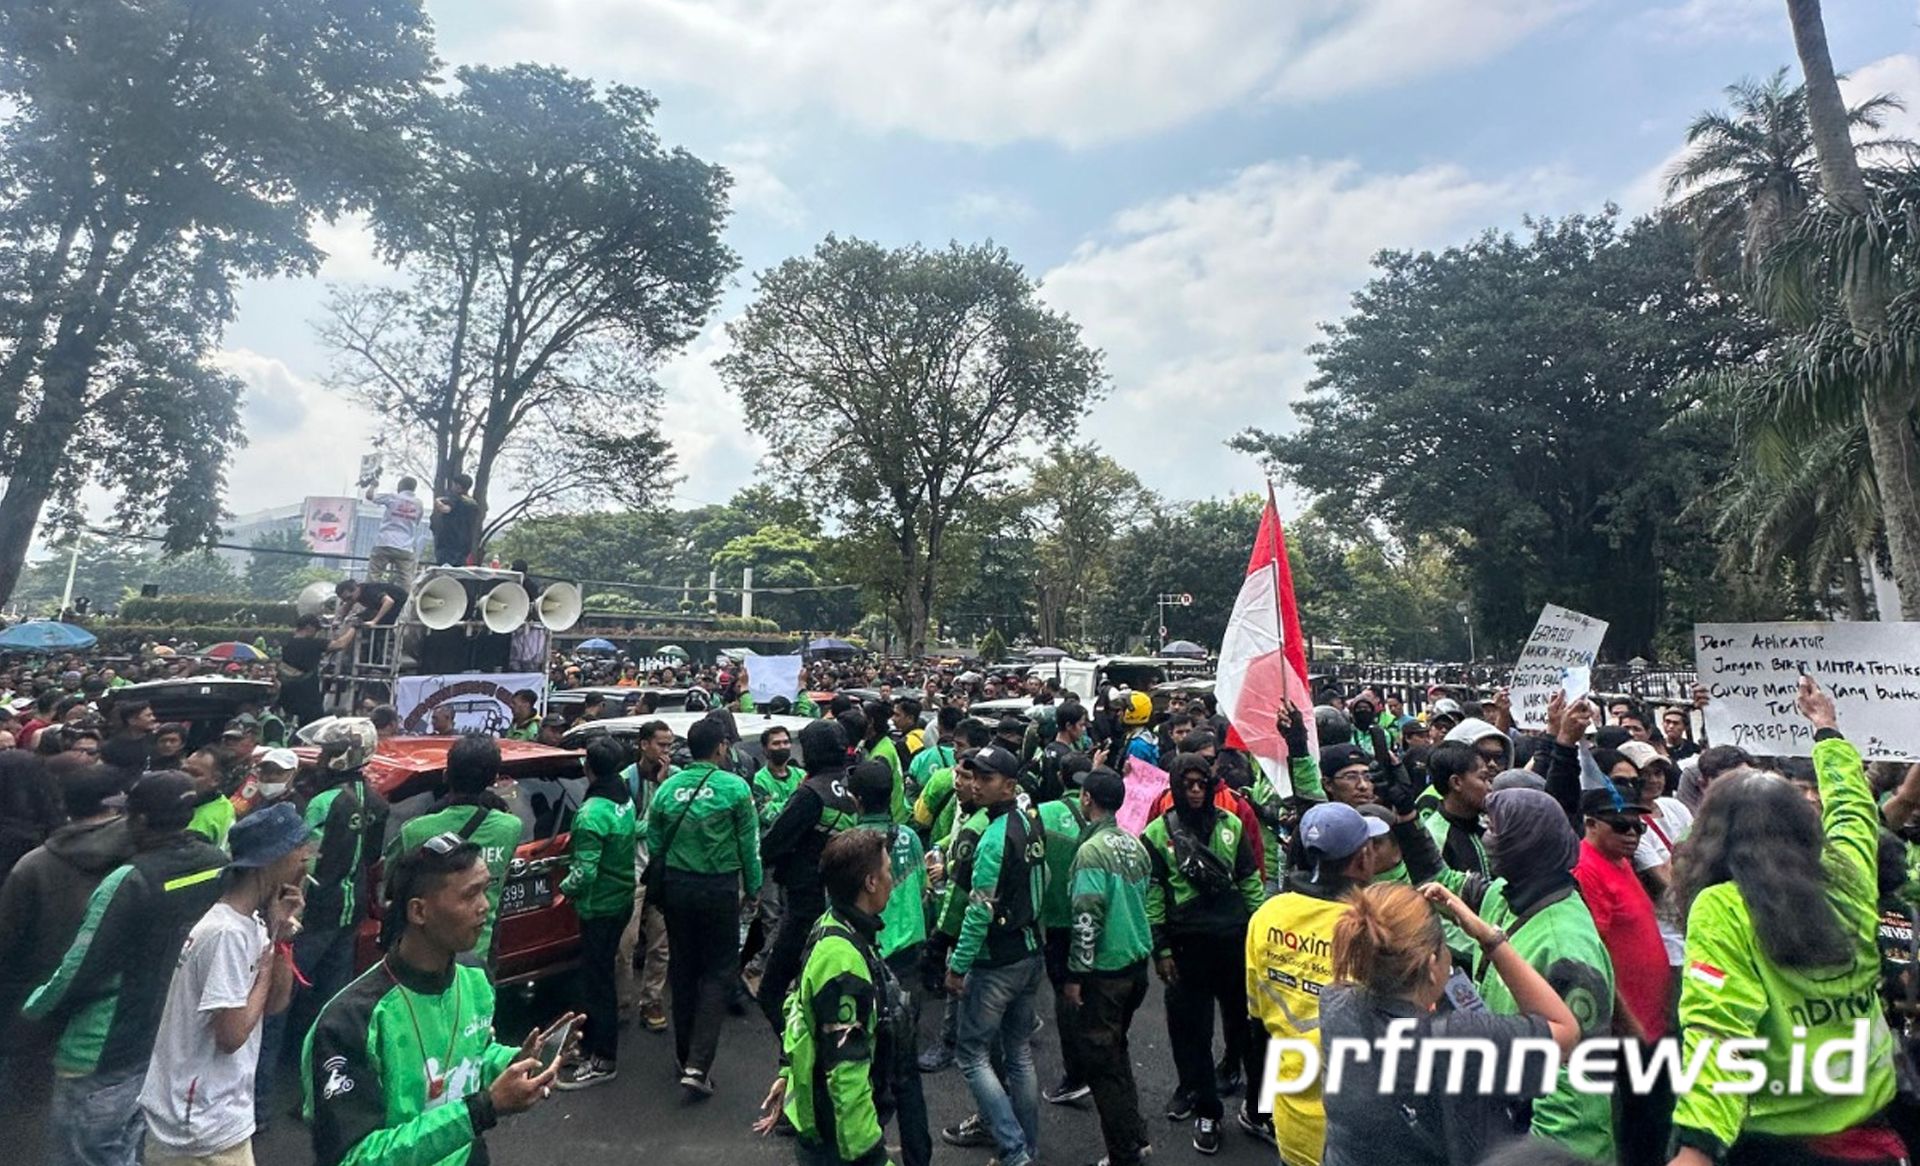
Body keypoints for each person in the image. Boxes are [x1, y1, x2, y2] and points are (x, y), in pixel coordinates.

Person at [1669, 677, 1901, 1166]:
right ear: (1803, 825)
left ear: (1711, 838)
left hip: (1776, 1146)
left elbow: (1718, 1035)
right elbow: (1854, 812)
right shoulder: (1853, 881)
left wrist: (1696, 1147)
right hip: (1877, 1134)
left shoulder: (1722, 909)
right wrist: (1827, 731)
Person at [303, 835, 576, 1166]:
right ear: (419, 911)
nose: (485, 906)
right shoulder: (350, 1021)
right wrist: (484, 1108)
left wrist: (513, 1061)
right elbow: (355, 1158)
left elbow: (470, 1053)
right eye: (470, 894)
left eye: (486, 889)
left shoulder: (475, 975)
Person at [23, 773, 229, 1166]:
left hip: (101, 1046)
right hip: (161, 1035)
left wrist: (31, 1010)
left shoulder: (130, 880)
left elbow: (79, 968)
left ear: (141, 822)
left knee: (81, 1154)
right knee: (124, 1145)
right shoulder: (216, 863)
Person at [1315, 882, 1581, 1166]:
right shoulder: (1461, 1039)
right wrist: (1490, 938)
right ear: (1432, 964)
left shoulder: (1335, 1005)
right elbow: (1565, 1031)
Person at [137, 804, 309, 1166]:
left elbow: (275, 1005)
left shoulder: (255, 924)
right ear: (273, 860)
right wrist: (264, 969)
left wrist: (281, 937)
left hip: (220, 1117)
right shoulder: (226, 933)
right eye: (299, 849)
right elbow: (230, 1035)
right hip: (200, 1126)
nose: (305, 859)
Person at [0, 761, 135, 1163]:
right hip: (112, 997)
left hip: (29, 989)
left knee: (23, 1080)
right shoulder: (143, 854)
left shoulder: (37, 863)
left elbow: (6, 934)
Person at [759, 829, 912, 1166]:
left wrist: (789, 1071)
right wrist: (870, 1154)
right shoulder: (843, 964)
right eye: (887, 870)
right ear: (871, 882)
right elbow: (846, 1073)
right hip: (837, 1143)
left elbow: (799, 1009)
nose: (891, 877)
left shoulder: (832, 925)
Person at [1248, 800, 1389, 1166]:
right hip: (1356, 1129)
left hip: (1291, 1114)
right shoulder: (1374, 929)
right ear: (1362, 859)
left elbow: (1258, 1013)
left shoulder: (1268, 914)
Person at [1143, 751, 1264, 1154]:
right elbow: (1154, 895)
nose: (1195, 791)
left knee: (1247, 1030)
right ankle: (1207, 1109)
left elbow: (1249, 882)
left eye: (1201, 784)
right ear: (1176, 787)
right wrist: (1160, 949)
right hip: (1185, 948)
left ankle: (1256, 1106)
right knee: (1192, 1033)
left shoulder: (1231, 825)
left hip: (1234, 945)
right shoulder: (1158, 834)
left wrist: (1259, 936)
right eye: (1187, 784)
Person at [648, 717, 763, 1097]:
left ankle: (684, 1058)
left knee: (683, 971)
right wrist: (755, 887)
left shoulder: (668, 789)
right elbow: (750, 845)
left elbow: (655, 842)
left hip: (678, 888)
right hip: (719, 889)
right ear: (719, 749)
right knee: (718, 971)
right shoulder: (735, 788)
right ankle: (698, 1065)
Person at [945, 743, 1047, 1166]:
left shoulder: (992, 838)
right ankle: (1028, 1146)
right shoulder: (1029, 821)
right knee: (1018, 1052)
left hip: (998, 960)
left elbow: (978, 911)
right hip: (1030, 951)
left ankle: (1013, 1149)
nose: (978, 785)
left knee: (971, 1054)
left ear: (1009, 785)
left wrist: (957, 965)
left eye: (987, 779)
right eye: (975, 777)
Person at [1569, 783, 1672, 1166]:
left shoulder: (1621, 861)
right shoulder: (1587, 870)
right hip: (1630, 1029)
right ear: (1591, 824)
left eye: (1639, 828)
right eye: (1621, 827)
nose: (1633, 835)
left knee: (1656, 1122)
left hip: (1653, 1018)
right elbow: (1595, 955)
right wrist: (1625, 1020)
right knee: (1638, 1129)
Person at [1064, 767, 1154, 1166]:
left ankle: (1124, 1152)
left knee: (1101, 1064)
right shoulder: (1134, 844)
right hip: (1136, 967)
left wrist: (1076, 974)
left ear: (1087, 799)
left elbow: (1087, 915)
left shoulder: (1092, 852)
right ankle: (1136, 1135)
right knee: (1116, 1053)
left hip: (1106, 972)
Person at [847, 759, 933, 1166]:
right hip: (909, 962)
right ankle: (919, 1156)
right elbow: (923, 892)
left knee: (866, 1069)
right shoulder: (910, 839)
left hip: (868, 959)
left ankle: (867, 1150)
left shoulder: (851, 844)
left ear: (856, 799)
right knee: (907, 1070)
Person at [759, 718, 861, 1036]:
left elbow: (772, 844)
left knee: (771, 993)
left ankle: (799, 1056)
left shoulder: (810, 793)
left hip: (805, 902)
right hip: (843, 901)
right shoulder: (853, 784)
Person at [387, 733, 523, 970]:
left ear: (446, 775)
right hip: (479, 955)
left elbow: (390, 882)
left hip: (424, 953)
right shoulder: (510, 827)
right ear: (493, 779)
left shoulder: (414, 831)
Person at [557, 737, 637, 1089]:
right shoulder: (624, 799)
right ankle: (587, 1044)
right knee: (596, 977)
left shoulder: (591, 814)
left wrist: (562, 891)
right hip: (621, 898)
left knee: (598, 983)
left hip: (599, 906)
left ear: (588, 768)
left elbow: (584, 873)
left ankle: (603, 1058)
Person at [618, 718, 674, 1034]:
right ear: (644, 744)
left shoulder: (674, 779)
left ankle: (652, 999)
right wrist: (651, 825)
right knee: (625, 943)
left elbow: (673, 820)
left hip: (663, 873)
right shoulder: (627, 780)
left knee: (660, 944)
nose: (666, 751)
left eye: (670, 745)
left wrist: (666, 786)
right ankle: (622, 1002)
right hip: (633, 872)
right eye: (661, 744)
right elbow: (627, 827)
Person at [364, 475, 425, 588]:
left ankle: (370, 600)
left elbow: (369, 496)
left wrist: (373, 485)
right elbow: (417, 522)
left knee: (373, 576)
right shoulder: (419, 504)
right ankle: (405, 602)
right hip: (405, 546)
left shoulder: (392, 497)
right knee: (406, 580)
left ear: (400, 486)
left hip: (385, 542)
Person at [277, 616, 330, 730]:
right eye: (316, 630)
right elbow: (340, 644)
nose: (316, 634)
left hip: (287, 697)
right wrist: (353, 629)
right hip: (309, 700)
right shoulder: (313, 644)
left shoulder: (287, 643)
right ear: (309, 627)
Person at [430, 472, 481, 567]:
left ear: (458, 486)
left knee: (445, 572)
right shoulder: (473, 503)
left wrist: (438, 501)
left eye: (453, 484)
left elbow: (445, 509)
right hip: (465, 546)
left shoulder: (456, 498)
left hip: (449, 544)